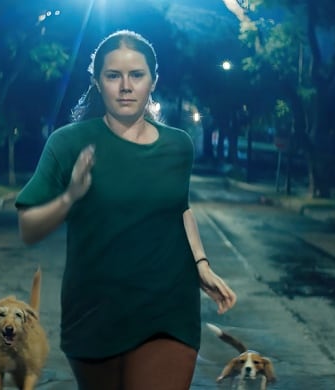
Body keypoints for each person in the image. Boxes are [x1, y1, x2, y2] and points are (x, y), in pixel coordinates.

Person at [14, 29, 237, 390]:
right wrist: (69, 197)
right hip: (94, 313)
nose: (125, 86)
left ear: (153, 81)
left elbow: (180, 209)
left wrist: (202, 264)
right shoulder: (68, 143)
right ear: (98, 82)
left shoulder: (178, 146)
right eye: (113, 75)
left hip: (168, 309)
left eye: (137, 75)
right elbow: (28, 227)